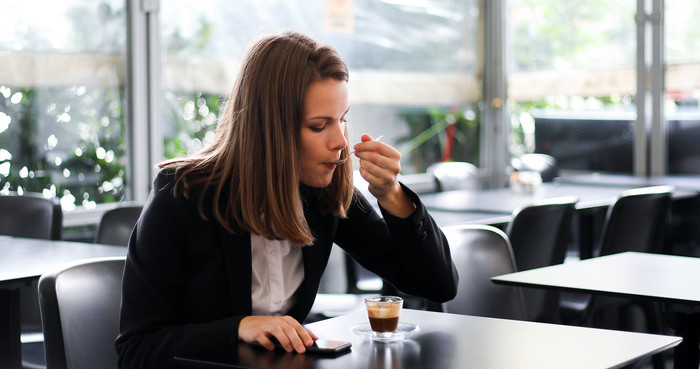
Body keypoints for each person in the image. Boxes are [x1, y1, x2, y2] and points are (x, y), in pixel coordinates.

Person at [116, 31, 458, 368]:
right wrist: (237, 329)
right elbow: (137, 350)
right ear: (270, 128)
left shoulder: (324, 192)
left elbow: (436, 285)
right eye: (319, 125)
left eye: (342, 119)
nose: (340, 140)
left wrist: (392, 194)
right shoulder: (183, 193)